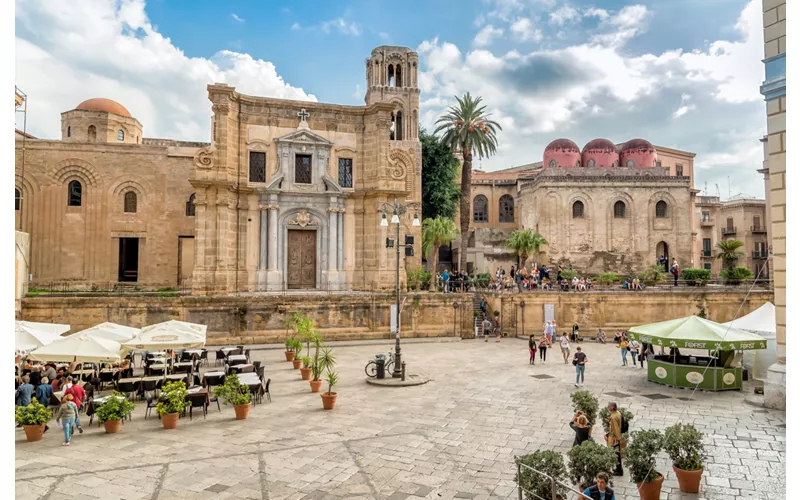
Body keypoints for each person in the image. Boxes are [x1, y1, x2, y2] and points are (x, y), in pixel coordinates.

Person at [605, 402, 624, 476]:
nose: (608, 408)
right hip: (615, 436)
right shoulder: (617, 413)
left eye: (609, 407)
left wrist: (618, 438)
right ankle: (618, 469)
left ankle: (619, 470)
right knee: (617, 454)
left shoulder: (614, 417)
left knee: (616, 454)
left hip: (614, 438)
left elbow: (616, 428)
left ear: (612, 408)